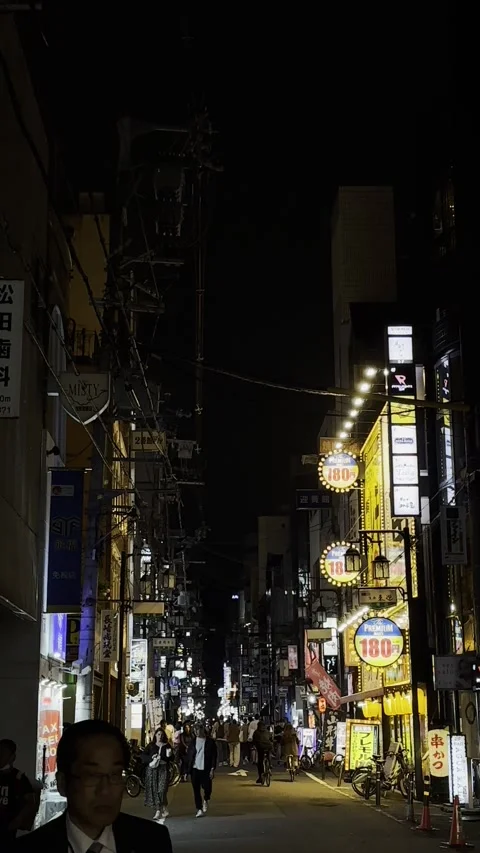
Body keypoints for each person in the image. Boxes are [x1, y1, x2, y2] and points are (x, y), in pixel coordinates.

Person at [13, 719, 172, 853]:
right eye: (91, 776)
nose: (105, 790)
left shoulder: (153, 840)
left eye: (115, 774)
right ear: (63, 783)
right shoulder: (27, 848)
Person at [0, 739, 36, 850]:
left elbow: (31, 802)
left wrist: (18, 819)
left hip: (7, 829)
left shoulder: (18, 777)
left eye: (4, 752)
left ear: (12, 757)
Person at [185, 723, 217, 818]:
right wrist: (187, 771)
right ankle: (199, 809)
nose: (196, 732)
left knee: (207, 787)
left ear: (202, 730)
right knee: (196, 790)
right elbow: (189, 757)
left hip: (206, 768)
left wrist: (212, 768)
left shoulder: (210, 742)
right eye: (195, 731)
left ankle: (206, 799)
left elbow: (214, 756)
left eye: (198, 730)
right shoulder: (193, 742)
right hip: (195, 768)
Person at [143, 728, 173, 822]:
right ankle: (160, 809)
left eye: (162, 734)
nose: (160, 736)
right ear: (155, 735)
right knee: (155, 790)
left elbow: (172, 758)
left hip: (163, 769)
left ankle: (160, 809)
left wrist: (169, 755)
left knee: (162, 790)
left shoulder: (167, 745)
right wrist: (151, 758)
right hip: (153, 770)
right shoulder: (151, 746)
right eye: (158, 734)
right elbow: (143, 755)